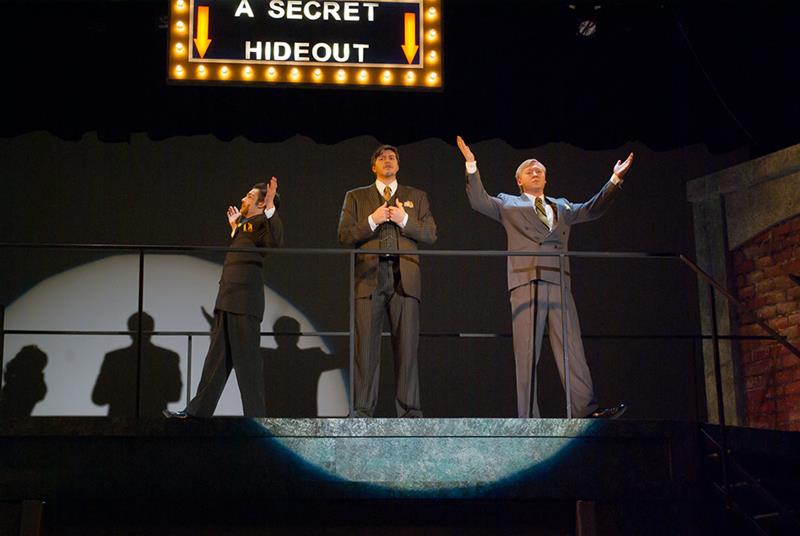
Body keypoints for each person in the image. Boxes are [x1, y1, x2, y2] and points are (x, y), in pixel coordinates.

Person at [456, 136, 631, 419]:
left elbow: (592, 208)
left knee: (572, 348)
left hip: (558, 281)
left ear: (546, 179)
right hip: (526, 281)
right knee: (527, 354)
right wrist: (471, 164)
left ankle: (585, 410)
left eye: (540, 169)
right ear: (519, 182)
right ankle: (528, 419)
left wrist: (613, 180)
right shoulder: (508, 203)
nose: (536, 171)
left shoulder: (562, 206)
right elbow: (478, 200)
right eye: (529, 170)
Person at [164, 178, 284, 418]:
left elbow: (275, 241)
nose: (243, 198)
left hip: (245, 301)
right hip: (227, 299)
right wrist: (236, 226)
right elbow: (245, 247)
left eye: (249, 196)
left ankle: (256, 419)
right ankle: (196, 413)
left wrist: (271, 207)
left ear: (262, 203)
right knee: (215, 364)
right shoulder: (246, 225)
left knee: (247, 363)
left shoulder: (264, 222)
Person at [337, 145, 437, 417]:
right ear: (374, 167)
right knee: (365, 349)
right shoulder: (356, 197)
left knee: (406, 349)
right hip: (370, 277)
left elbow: (430, 234)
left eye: (392, 157)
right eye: (381, 158)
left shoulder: (416, 196)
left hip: (405, 278)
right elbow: (344, 235)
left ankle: (409, 413)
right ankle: (361, 411)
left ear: (398, 165)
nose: (387, 161)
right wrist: (372, 220)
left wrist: (405, 219)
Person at [92, 311, 182, 417]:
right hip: (154, 423)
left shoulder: (114, 358)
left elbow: (98, 397)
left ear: (129, 330)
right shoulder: (168, 357)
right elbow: (174, 394)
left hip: (120, 423)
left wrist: (122, 392)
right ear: (152, 330)